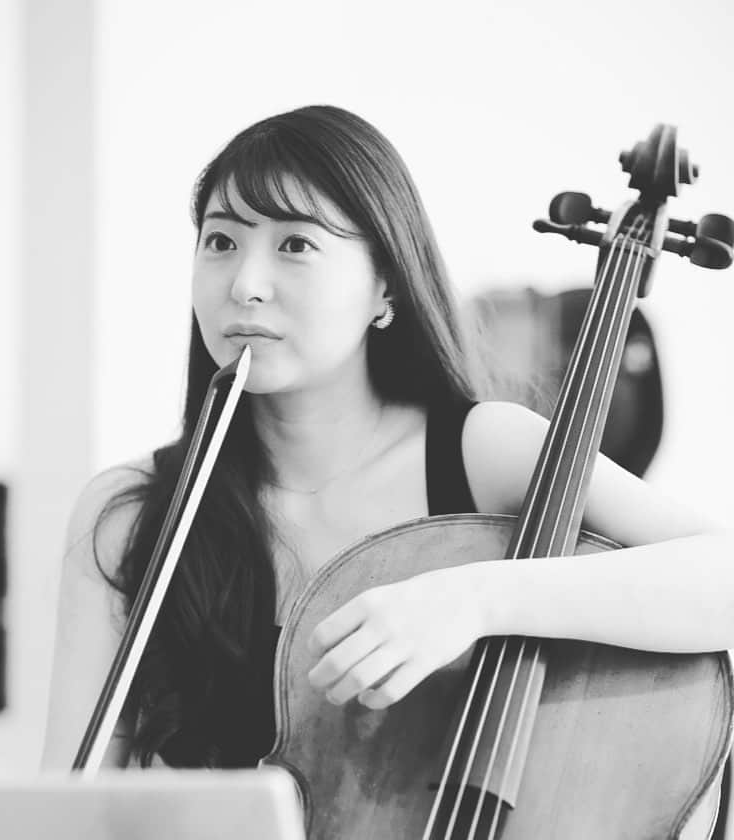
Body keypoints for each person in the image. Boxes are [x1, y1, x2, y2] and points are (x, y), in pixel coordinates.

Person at [41, 105, 733, 780]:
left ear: (385, 289)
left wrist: (478, 599)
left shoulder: (481, 452)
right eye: (221, 241)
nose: (245, 286)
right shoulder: (129, 514)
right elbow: (63, 816)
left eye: (295, 244)